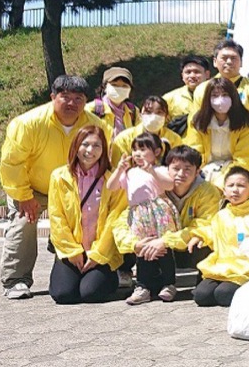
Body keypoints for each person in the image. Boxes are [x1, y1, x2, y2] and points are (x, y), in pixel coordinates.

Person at [0, 75, 108, 299]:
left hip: (76, 186)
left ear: (86, 101)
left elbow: (107, 158)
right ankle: (16, 279)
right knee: (24, 221)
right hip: (33, 187)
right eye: (65, 97)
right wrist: (23, 195)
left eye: (78, 98)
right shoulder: (28, 123)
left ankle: (84, 264)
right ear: (52, 97)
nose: (71, 103)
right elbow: (12, 163)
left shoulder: (95, 125)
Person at [47, 126, 127, 304]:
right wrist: (72, 252)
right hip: (72, 250)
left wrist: (98, 254)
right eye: (85, 144)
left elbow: (114, 219)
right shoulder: (59, 177)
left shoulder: (112, 180)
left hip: (101, 251)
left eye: (97, 146)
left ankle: (111, 279)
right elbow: (56, 217)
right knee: (63, 294)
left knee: (91, 293)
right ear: (76, 146)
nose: (90, 151)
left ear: (103, 149)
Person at [188, 167, 249, 307]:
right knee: (201, 296)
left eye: (241, 186)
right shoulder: (221, 215)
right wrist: (200, 236)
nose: (235, 190)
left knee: (224, 295)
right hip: (221, 266)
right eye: (231, 185)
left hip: (245, 269)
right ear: (224, 190)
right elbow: (212, 232)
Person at [109, 132, 179, 305]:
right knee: (143, 249)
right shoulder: (130, 172)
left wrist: (151, 171)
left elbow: (169, 185)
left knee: (163, 248)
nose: (137, 153)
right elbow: (111, 186)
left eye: (142, 149)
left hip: (159, 211)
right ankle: (143, 286)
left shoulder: (160, 169)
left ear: (156, 152)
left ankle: (168, 283)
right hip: (139, 214)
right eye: (134, 150)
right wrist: (119, 169)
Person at [192, 40, 249, 146]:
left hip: (244, 148)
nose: (228, 62)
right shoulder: (203, 89)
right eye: (224, 58)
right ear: (215, 62)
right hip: (211, 148)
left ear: (241, 62)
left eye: (233, 58)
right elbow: (195, 123)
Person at [160, 146, 220, 278]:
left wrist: (166, 241)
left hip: (188, 246)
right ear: (167, 168)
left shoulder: (208, 191)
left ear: (198, 171)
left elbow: (205, 223)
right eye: (175, 168)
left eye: (187, 169)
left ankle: (205, 278)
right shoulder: (155, 187)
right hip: (162, 248)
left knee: (203, 239)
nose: (181, 174)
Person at [184, 77, 249, 186]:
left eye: (225, 95)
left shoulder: (246, 122)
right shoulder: (197, 121)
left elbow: (244, 158)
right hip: (205, 170)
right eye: (215, 95)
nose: (220, 100)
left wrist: (224, 178)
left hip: (235, 172)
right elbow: (194, 151)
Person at [111, 96, 182, 165]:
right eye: (148, 112)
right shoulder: (123, 138)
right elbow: (116, 168)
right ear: (140, 115)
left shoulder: (175, 139)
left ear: (166, 117)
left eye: (159, 112)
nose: (153, 117)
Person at [163, 55, 212, 134]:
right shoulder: (169, 98)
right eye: (188, 72)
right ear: (182, 75)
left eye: (197, 72)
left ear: (207, 74)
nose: (192, 76)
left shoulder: (216, 96)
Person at [87, 66, 137, 137]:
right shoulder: (91, 109)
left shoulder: (133, 112)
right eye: (114, 85)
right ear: (104, 87)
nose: (119, 89)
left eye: (124, 86)